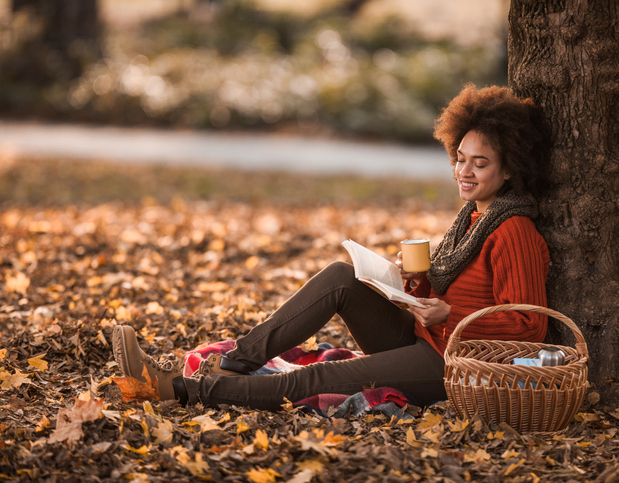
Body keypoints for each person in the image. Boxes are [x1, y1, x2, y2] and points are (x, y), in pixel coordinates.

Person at [112, 84, 551, 409]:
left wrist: (449, 315)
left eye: (481, 163)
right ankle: (238, 363)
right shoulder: (472, 217)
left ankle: (180, 389)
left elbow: (529, 328)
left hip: (452, 365)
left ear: (509, 169)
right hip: (425, 337)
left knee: (321, 376)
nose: (465, 171)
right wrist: (413, 286)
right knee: (341, 277)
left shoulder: (513, 230)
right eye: (460, 158)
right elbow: (446, 298)